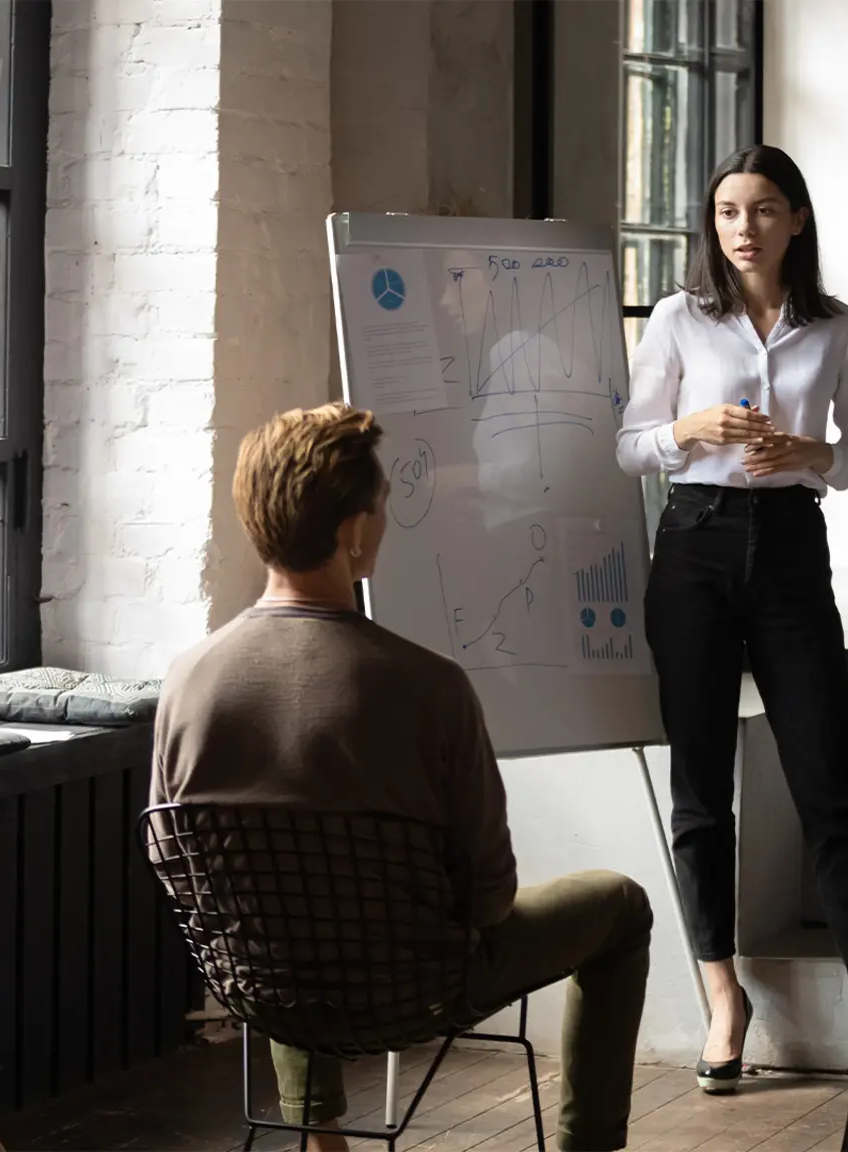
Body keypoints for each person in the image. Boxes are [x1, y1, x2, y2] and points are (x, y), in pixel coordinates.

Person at [152, 403, 654, 1152]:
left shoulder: (187, 680)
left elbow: (180, 866)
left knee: (285, 896)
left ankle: (321, 1136)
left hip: (266, 987)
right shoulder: (429, 687)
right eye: (382, 506)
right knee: (621, 907)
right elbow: (487, 897)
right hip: (418, 991)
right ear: (355, 532)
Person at [616, 144, 848, 1092]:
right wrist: (686, 432)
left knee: (829, 782)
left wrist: (813, 451)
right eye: (729, 211)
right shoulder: (679, 318)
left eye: (764, 210)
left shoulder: (839, 330)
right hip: (690, 545)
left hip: (787, 546)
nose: (744, 228)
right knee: (701, 787)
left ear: (796, 221)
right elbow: (626, 447)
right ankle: (722, 997)